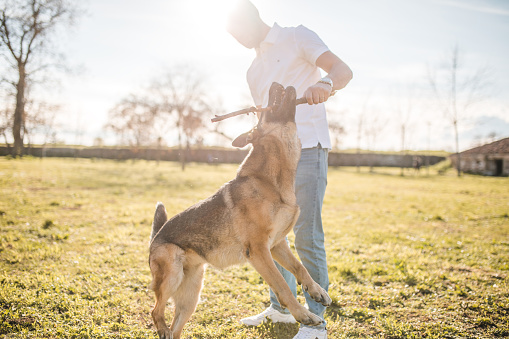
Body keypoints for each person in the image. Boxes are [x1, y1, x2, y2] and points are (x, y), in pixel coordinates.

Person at [227, 1, 353, 338]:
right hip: (271, 162)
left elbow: (342, 69)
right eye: (231, 34)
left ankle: (316, 321)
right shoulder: (253, 70)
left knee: (307, 236)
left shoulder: (297, 37)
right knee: (269, 234)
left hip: (308, 151)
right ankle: (281, 308)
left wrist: (326, 85)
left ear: (253, 18)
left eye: (239, 29)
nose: (237, 38)